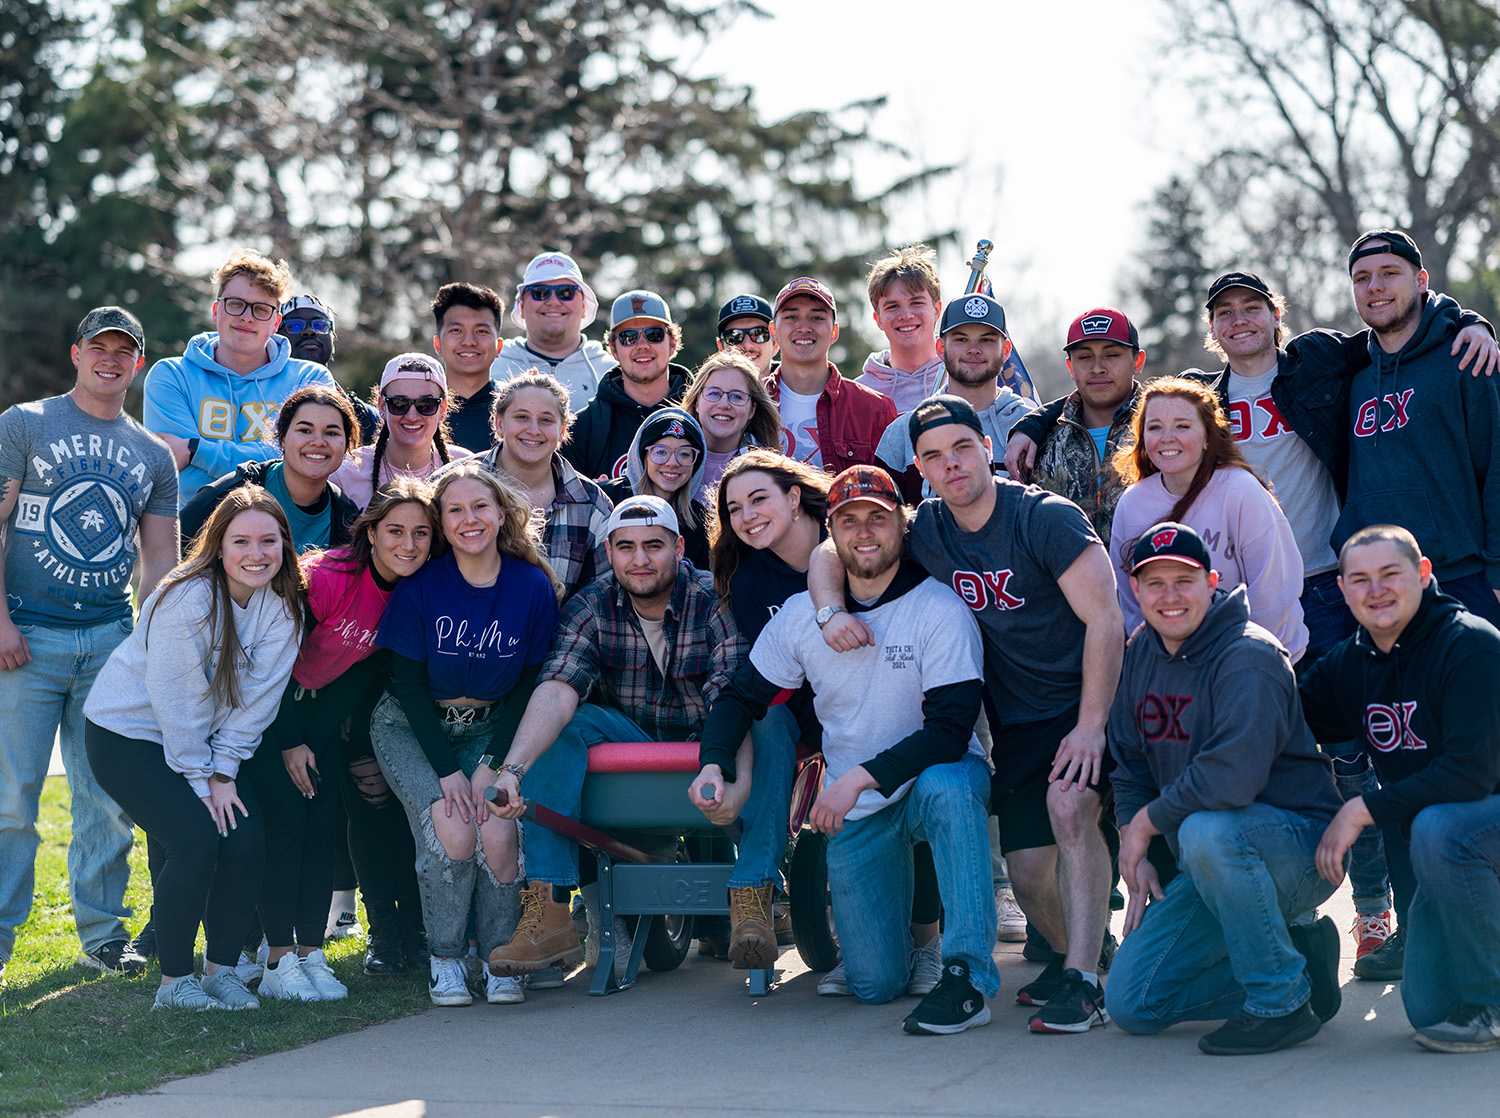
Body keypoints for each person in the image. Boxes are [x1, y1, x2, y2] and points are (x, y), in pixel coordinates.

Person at [811, 394, 1124, 1033]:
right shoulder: (927, 528)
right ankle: (1086, 959)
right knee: (1032, 875)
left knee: (1073, 815)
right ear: (920, 469)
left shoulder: (1044, 518)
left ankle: (1087, 983)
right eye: (932, 456)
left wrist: (1092, 725)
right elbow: (827, 550)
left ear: (988, 446)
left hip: (1097, 700)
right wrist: (828, 610)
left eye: (961, 448)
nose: (950, 464)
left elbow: (1107, 619)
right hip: (1021, 721)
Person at [698, 465, 995, 1034]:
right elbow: (740, 698)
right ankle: (892, 953)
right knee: (874, 986)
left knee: (952, 784)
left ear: (902, 526)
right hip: (860, 809)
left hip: (927, 778)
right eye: (848, 521)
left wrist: (856, 777)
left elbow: (951, 731)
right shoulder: (801, 617)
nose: (864, 532)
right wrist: (713, 762)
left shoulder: (940, 609)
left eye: (878, 519)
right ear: (829, 532)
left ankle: (968, 979)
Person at [486, 496, 798, 977]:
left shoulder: (715, 597)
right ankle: (549, 910)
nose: (640, 559)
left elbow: (733, 698)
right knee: (561, 721)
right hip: (633, 744)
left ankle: (753, 895)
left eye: (654, 546)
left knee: (773, 718)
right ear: (609, 552)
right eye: (626, 547)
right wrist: (512, 770)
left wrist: (730, 777)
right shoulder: (591, 604)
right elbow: (557, 687)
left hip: (709, 740)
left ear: (678, 546)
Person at [1105, 522, 1344, 1054]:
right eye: (1154, 583)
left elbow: (1231, 778)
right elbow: (1129, 763)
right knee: (1133, 1004)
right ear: (1136, 590)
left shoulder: (1249, 654)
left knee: (1205, 830)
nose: (1170, 596)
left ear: (1212, 582)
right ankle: (1298, 966)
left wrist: (1146, 825)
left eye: (1183, 581)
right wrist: (1130, 833)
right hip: (1214, 860)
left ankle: (1278, 1002)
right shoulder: (1140, 653)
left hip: (1303, 848)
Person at [0, 307, 179, 985]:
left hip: (109, 640)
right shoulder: (25, 424)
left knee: (106, 796)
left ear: (137, 362)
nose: (110, 360)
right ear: (76, 353)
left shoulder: (151, 454)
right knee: (13, 798)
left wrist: (152, 648)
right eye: (98, 348)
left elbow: (161, 561)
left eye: (123, 351)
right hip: (26, 636)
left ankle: (104, 937)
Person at [83, 487, 303, 1010]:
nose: (256, 553)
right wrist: (201, 778)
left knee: (245, 839)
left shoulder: (281, 608)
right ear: (218, 547)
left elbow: (257, 704)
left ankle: (220, 971)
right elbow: (177, 702)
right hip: (128, 734)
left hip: (206, 746)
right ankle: (174, 983)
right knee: (197, 841)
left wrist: (222, 772)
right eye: (241, 541)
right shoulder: (185, 597)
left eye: (268, 541)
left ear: (283, 545)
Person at [1300, 525, 1500, 1052]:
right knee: (1429, 1012)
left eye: (1391, 574)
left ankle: (1494, 1004)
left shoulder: (1470, 644)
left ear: (1424, 573)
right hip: (1452, 848)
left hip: (1470, 827)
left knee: (1437, 824)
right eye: (1360, 579)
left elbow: (1469, 775)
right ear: (1341, 590)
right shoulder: (1350, 663)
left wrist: (1359, 810)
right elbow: (1286, 721)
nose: (1376, 590)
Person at [370, 464, 563, 1007]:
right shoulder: (422, 587)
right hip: (411, 728)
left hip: (489, 729)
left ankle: (500, 959)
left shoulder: (531, 587)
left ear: (502, 515)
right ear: (441, 522)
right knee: (454, 830)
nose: (468, 519)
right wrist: (449, 771)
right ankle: (447, 958)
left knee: (498, 829)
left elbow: (529, 682)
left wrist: (494, 761)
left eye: (480, 506)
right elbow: (406, 686)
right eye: (454, 509)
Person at [248, 482, 438, 1000]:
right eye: (395, 530)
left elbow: (358, 673)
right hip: (268, 708)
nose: (409, 543)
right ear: (370, 532)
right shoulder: (326, 578)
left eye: (422, 533)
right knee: (282, 823)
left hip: (324, 715)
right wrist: (290, 739)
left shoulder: (412, 589)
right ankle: (266, 952)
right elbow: (270, 666)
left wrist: (315, 737)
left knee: (320, 823)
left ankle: (313, 950)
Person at [1332, 230, 1500, 628]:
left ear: (1421, 281)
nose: (1375, 286)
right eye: (1362, 277)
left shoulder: (1467, 360)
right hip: (1378, 590)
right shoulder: (1352, 380)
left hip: (1463, 581)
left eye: (1389, 273)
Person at [1111, 376, 1308, 663]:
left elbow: (1274, 590)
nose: (1167, 437)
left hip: (1257, 660)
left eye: (1182, 426)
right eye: (1155, 427)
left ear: (1207, 437)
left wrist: (1236, 656)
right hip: (1177, 666)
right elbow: (1130, 600)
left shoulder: (1240, 490)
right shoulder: (1132, 502)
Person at [142, 248, 338, 507]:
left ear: (276, 322)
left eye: (260, 309)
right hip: (193, 531)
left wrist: (195, 450)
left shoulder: (309, 379)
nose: (246, 317)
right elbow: (182, 478)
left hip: (284, 532)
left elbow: (307, 464)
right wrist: (275, 464)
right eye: (236, 304)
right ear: (215, 311)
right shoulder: (171, 376)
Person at [1003, 308, 1146, 547]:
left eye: (1112, 355)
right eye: (1084, 357)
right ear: (1070, 367)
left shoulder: (1163, 431)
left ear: (1138, 362)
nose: (1097, 367)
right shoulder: (1040, 446)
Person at [463, 370, 613, 598]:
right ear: (499, 423)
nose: (533, 430)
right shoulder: (455, 485)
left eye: (546, 420)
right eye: (522, 417)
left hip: (558, 632)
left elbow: (600, 598)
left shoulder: (593, 506)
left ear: (562, 430)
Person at [876, 292, 1036, 504]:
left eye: (986, 340)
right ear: (941, 349)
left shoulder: (1030, 426)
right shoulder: (902, 433)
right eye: (961, 339)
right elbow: (883, 521)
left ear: (1005, 351)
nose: (974, 350)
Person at [180, 385, 361, 554]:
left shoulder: (346, 517)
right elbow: (172, 546)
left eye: (332, 433)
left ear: (346, 445)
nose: (318, 442)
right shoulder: (235, 490)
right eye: (305, 430)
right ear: (282, 438)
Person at [860, 244, 1035, 412]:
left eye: (916, 303)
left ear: (937, 310)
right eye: (892, 306)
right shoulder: (860, 393)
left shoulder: (971, 376)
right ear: (878, 319)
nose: (906, 315)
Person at [766, 277, 896, 473]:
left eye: (817, 317)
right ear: (773, 331)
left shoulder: (875, 410)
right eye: (791, 317)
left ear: (835, 331)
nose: (804, 327)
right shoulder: (748, 403)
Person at [564, 290, 691, 481]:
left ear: (672, 344)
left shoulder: (701, 415)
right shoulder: (584, 429)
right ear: (613, 349)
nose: (642, 345)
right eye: (628, 337)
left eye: (654, 334)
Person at [331, 353, 471, 509]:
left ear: (443, 408)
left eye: (426, 404)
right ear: (382, 407)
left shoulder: (467, 467)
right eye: (399, 403)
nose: (412, 416)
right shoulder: (345, 474)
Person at [492, 251, 614, 407]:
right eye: (540, 292)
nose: (553, 301)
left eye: (566, 292)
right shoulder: (492, 365)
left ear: (584, 305)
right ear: (521, 305)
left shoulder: (610, 373)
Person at [601, 408, 712, 569]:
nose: (673, 463)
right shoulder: (606, 499)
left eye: (685, 454)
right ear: (642, 456)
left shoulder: (701, 520)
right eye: (660, 452)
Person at [277, 293, 379, 444]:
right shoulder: (260, 399)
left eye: (321, 325)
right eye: (295, 325)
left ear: (333, 337)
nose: (310, 331)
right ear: (276, 334)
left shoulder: (365, 417)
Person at [681, 351, 781, 502]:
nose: (723, 405)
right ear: (697, 403)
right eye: (714, 393)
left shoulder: (769, 471)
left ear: (752, 410)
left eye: (737, 396)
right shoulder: (667, 458)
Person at [430, 283, 505, 453]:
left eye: (481, 331)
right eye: (456, 330)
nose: (469, 341)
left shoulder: (516, 413)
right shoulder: (418, 412)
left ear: (499, 346)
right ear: (438, 344)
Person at [715, 294, 778, 378]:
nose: (747, 345)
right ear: (721, 348)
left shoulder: (799, 388)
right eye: (735, 336)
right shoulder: (702, 390)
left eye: (758, 333)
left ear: (776, 344)